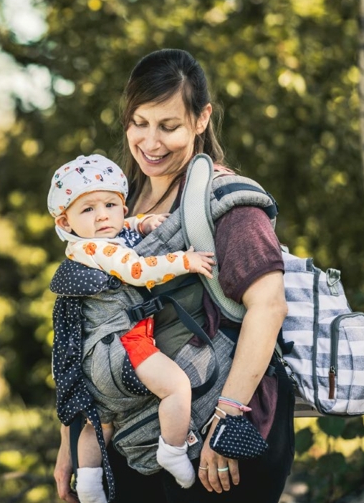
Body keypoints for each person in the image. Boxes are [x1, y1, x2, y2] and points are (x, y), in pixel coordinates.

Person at [52, 48, 293, 503]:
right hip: (129, 438)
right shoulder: (114, 202)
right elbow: (84, 324)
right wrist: (71, 442)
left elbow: (270, 305)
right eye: (139, 123)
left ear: (201, 120)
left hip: (217, 434)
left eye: (168, 126)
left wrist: (228, 419)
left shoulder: (226, 199)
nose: (150, 142)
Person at [47, 154, 216, 502]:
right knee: (176, 388)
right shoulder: (99, 248)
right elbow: (137, 270)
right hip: (125, 345)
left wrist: (140, 224)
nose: (103, 215)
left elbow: (122, 229)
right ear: (65, 220)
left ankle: (91, 485)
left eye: (111, 204)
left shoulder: (84, 245)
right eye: (88, 210)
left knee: (101, 423)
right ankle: (172, 449)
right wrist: (185, 261)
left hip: (94, 359)